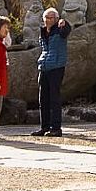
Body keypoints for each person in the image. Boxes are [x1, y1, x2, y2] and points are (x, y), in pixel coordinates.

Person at [31, 8, 72, 138]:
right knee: (43, 98)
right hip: (44, 66)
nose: (48, 20)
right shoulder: (43, 31)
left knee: (54, 98)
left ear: (55, 19)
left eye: (51, 18)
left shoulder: (59, 30)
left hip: (56, 66)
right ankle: (44, 127)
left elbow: (66, 31)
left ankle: (56, 128)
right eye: (46, 18)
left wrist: (64, 22)